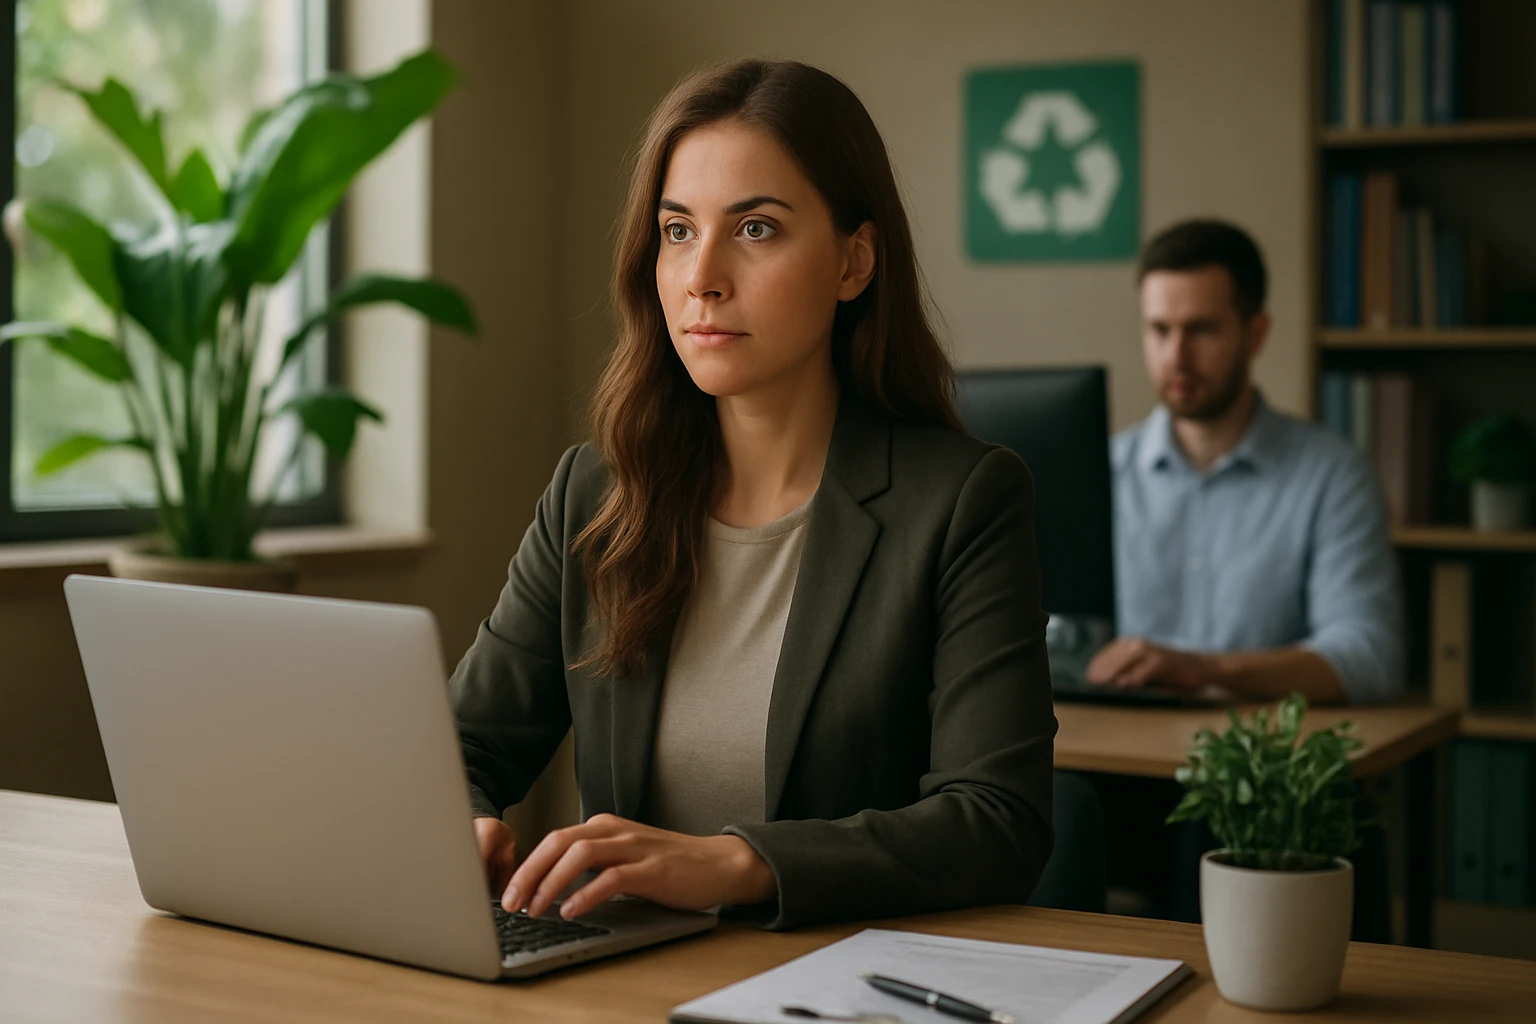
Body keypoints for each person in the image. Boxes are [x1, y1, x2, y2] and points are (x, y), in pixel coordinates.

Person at [448, 59, 1055, 931]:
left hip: (837, 985)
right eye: (678, 231)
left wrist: (738, 863)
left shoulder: (962, 501)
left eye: (757, 229)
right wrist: (461, 821)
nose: (703, 277)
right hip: (614, 982)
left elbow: (999, 822)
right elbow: (461, 745)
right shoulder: (592, 493)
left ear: (855, 262)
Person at [1087, 219, 1405, 705]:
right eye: (1159, 330)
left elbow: (1369, 656)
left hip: (1262, 764)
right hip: (1114, 756)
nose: (1176, 357)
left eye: (1202, 330)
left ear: (1255, 334)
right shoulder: (1099, 474)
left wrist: (1204, 669)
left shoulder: (1332, 475)